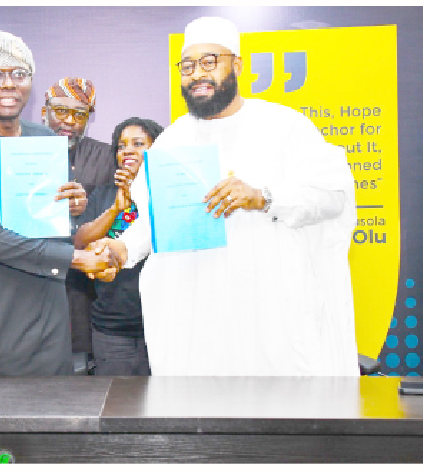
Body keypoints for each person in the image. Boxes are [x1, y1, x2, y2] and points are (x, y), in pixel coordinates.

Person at [94, 17, 359, 376]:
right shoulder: (172, 141)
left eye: (209, 62)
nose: (196, 74)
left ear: (236, 65)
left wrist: (264, 197)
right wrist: (121, 250)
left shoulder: (284, 126)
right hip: (194, 320)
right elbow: (156, 221)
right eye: (187, 66)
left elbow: (332, 198)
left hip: (269, 319)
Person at [0, 29, 112, 376]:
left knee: (50, 421)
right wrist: (76, 259)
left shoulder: (45, 139)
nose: (8, 83)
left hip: (48, 314)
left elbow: (53, 228)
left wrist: (71, 210)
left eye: (19, 74)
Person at [74, 117, 163, 376]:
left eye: (138, 144)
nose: (128, 151)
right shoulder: (104, 194)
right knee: (116, 408)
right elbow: (80, 241)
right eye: (122, 146)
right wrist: (115, 209)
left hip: (160, 324)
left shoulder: (167, 193)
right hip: (111, 327)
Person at [42, 77, 115, 361]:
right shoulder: (20, 150)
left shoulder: (107, 156)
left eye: (79, 114)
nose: (69, 121)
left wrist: (84, 211)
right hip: (33, 271)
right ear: (44, 111)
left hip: (85, 282)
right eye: (61, 111)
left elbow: (119, 211)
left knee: (82, 360)